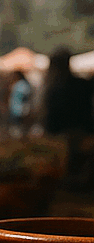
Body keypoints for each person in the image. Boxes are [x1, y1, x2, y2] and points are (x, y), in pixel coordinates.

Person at [40, 48, 94, 190]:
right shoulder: (81, 84)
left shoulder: (55, 88)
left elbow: (51, 119)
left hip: (65, 139)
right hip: (82, 136)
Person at [7, 70, 33, 138]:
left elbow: (26, 96)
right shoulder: (20, 84)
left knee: (18, 129)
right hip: (17, 109)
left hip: (20, 109)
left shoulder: (21, 84)